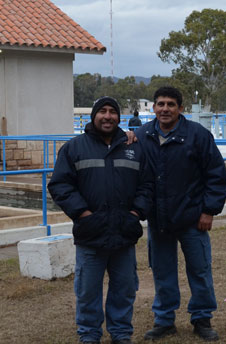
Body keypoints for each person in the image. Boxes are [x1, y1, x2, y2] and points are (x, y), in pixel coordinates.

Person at [48, 96, 153, 344]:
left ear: (119, 117)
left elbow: (147, 186)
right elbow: (60, 185)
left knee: (125, 289)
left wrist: (135, 214)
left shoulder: (135, 148)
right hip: (90, 235)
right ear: (93, 116)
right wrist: (83, 214)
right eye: (102, 111)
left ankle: (120, 333)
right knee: (87, 291)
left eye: (112, 112)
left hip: (124, 234)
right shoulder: (74, 148)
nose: (108, 116)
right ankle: (89, 334)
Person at [135, 86, 226, 341]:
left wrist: (209, 211)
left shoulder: (198, 136)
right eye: (160, 104)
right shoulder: (141, 136)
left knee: (199, 270)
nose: (165, 109)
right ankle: (164, 320)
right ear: (153, 108)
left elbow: (216, 176)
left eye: (170, 104)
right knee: (162, 271)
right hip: (159, 220)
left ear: (180, 108)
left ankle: (202, 319)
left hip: (192, 219)